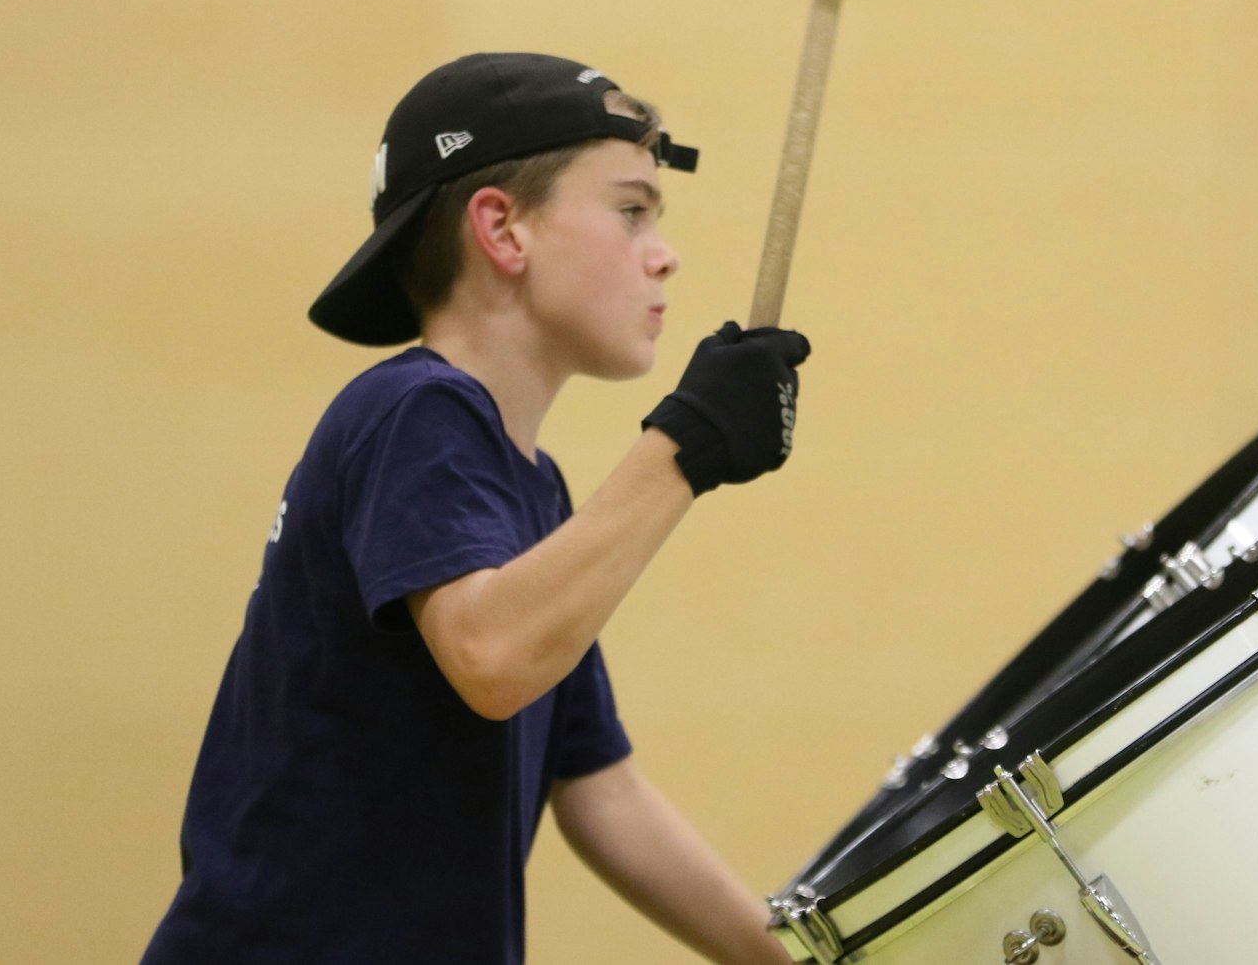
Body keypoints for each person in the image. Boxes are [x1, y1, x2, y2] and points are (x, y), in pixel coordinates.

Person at [142, 52, 808, 965]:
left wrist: (800, 958)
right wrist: (686, 446)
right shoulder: (417, 410)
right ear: (502, 230)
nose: (665, 251)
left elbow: (601, 789)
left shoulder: (529, 486)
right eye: (630, 211)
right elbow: (492, 656)